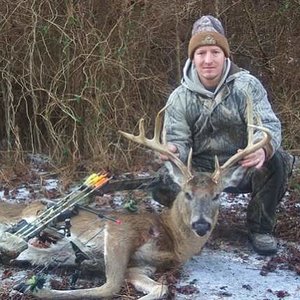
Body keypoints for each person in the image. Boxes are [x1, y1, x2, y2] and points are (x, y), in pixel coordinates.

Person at [152, 15, 294, 256]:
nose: (208, 60)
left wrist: (262, 149)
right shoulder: (180, 97)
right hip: (199, 172)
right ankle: (197, 216)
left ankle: (260, 228)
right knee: (161, 183)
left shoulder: (247, 87)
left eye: (215, 52)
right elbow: (178, 139)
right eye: (201, 53)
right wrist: (173, 151)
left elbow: (269, 125)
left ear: (225, 54)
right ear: (193, 57)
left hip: (238, 168)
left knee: (276, 161)